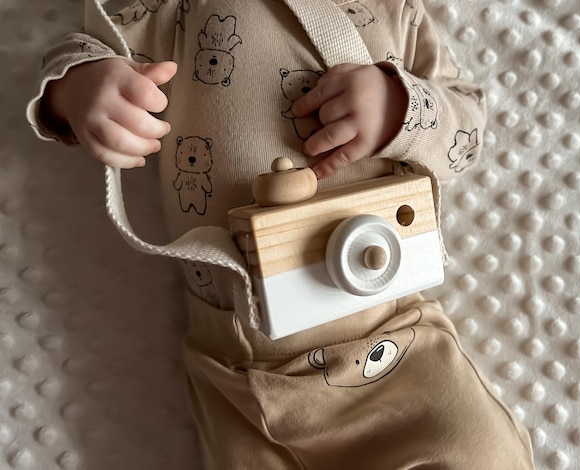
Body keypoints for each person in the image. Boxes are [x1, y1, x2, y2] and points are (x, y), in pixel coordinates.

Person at [27, 0, 535, 468]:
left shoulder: (392, 9)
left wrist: (399, 105)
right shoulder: (179, 9)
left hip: (392, 340)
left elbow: (466, 125)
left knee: (478, 451)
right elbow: (87, 45)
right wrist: (80, 88)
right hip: (238, 368)